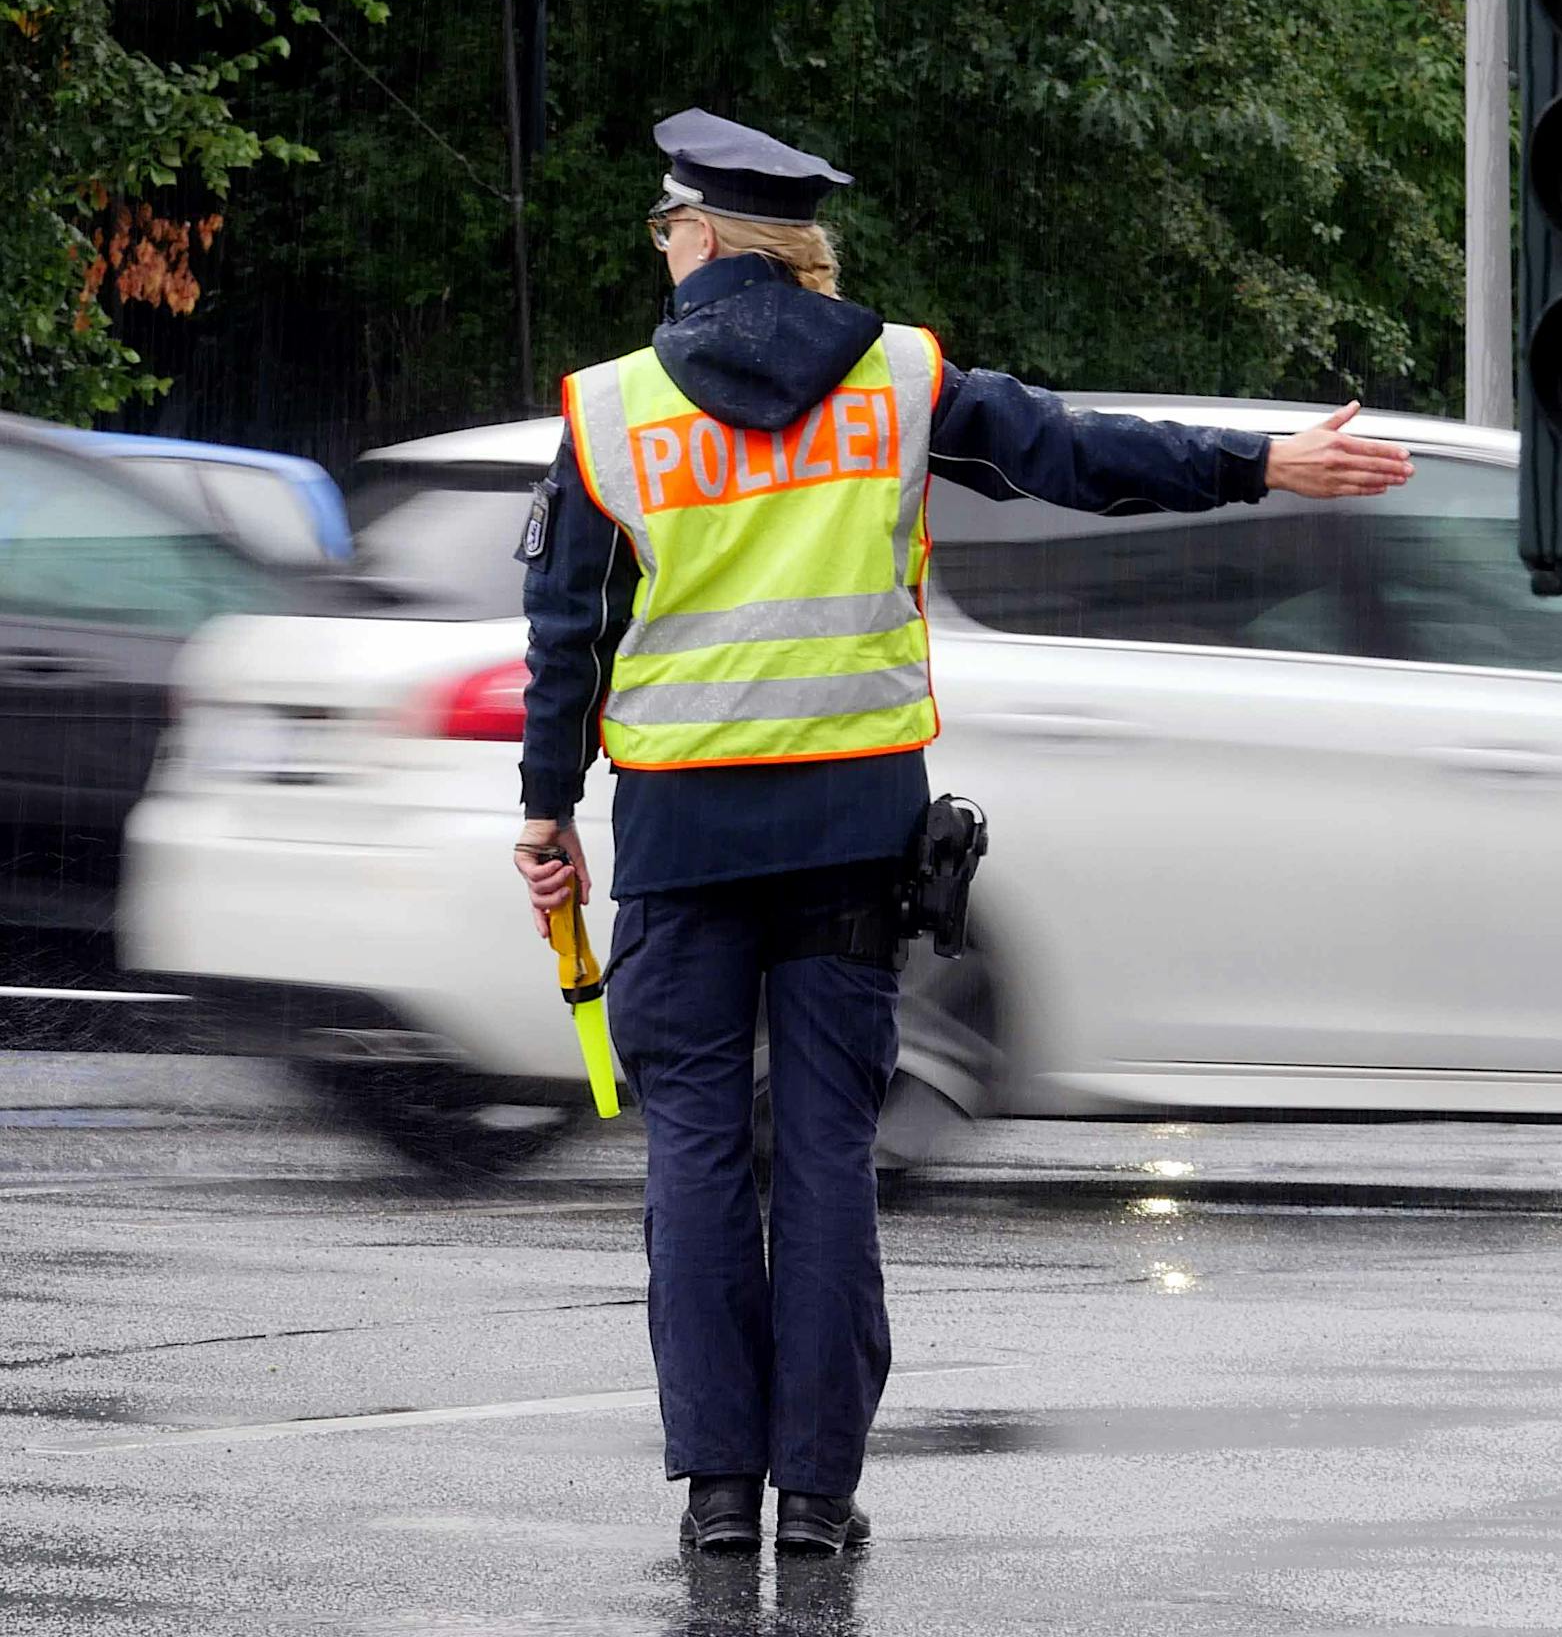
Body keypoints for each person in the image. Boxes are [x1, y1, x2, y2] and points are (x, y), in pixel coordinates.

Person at [513, 109, 1412, 1557]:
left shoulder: (614, 408)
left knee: (692, 1156)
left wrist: (545, 811)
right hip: (852, 833)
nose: (663, 249)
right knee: (820, 1159)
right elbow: (1073, 451)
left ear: (701, 239)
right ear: (800, 250)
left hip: (681, 839)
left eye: (667, 228)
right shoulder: (901, 376)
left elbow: (567, 631)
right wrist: (1260, 465)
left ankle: (717, 1499)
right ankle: (816, 1496)